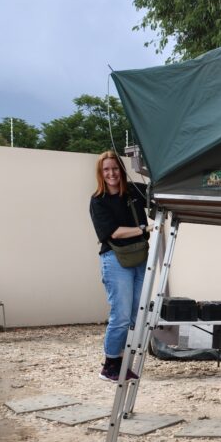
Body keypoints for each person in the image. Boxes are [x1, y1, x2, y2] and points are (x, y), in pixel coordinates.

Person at [89, 150, 152, 382]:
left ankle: (122, 362)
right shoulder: (98, 201)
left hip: (140, 257)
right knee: (121, 314)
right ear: (100, 173)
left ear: (121, 170)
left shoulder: (134, 191)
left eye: (115, 168)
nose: (111, 173)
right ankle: (110, 364)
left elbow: (158, 195)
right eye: (106, 169)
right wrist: (144, 230)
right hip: (116, 260)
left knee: (137, 314)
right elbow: (112, 232)